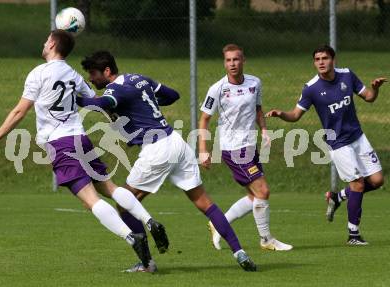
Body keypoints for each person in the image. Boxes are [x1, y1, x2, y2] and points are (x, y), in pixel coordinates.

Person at [0, 30, 170, 269]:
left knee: (90, 200)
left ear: (53, 44)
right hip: (80, 138)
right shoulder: (74, 75)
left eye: (46, 40)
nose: (44, 43)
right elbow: (95, 101)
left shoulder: (38, 73)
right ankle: (149, 220)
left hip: (60, 144)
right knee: (110, 187)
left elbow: (19, 111)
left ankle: (131, 237)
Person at [75, 50, 257, 272]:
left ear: (107, 71)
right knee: (204, 203)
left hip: (157, 149)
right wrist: (144, 101)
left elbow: (104, 102)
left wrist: (77, 98)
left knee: (124, 204)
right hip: (177, 143)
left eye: (94, 74)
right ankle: (240, 252)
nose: (92, 79)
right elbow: (172, 95)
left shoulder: (116, 88)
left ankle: (147, 263)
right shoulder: (139, 79)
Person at [265, 44, 386, 245]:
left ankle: (337, 197)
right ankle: (353, 235)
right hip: (337, 143)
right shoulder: (311, 88)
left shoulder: (347, 75)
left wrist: (375, 88)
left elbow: (370, 98)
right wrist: (281, 114)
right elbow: (295, 115)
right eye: (317, 59)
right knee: (357, 184)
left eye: (324, 58)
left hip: (358, 137)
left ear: (333, 60)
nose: (321, 62)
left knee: (377, 180)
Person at [198, 44, 293, 252]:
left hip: (249, 146)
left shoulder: (255, 83)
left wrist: (265, 130)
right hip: (233, 149)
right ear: (224, 63)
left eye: (236, 59)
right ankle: (266, 239)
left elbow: (258, 109)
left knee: (254, 196)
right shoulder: (217, 88)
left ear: (243, 61)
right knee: (263, 190)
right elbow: (204, 119)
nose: (232, 64)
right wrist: (203, 150)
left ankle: (217, 223)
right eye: (228, 60)